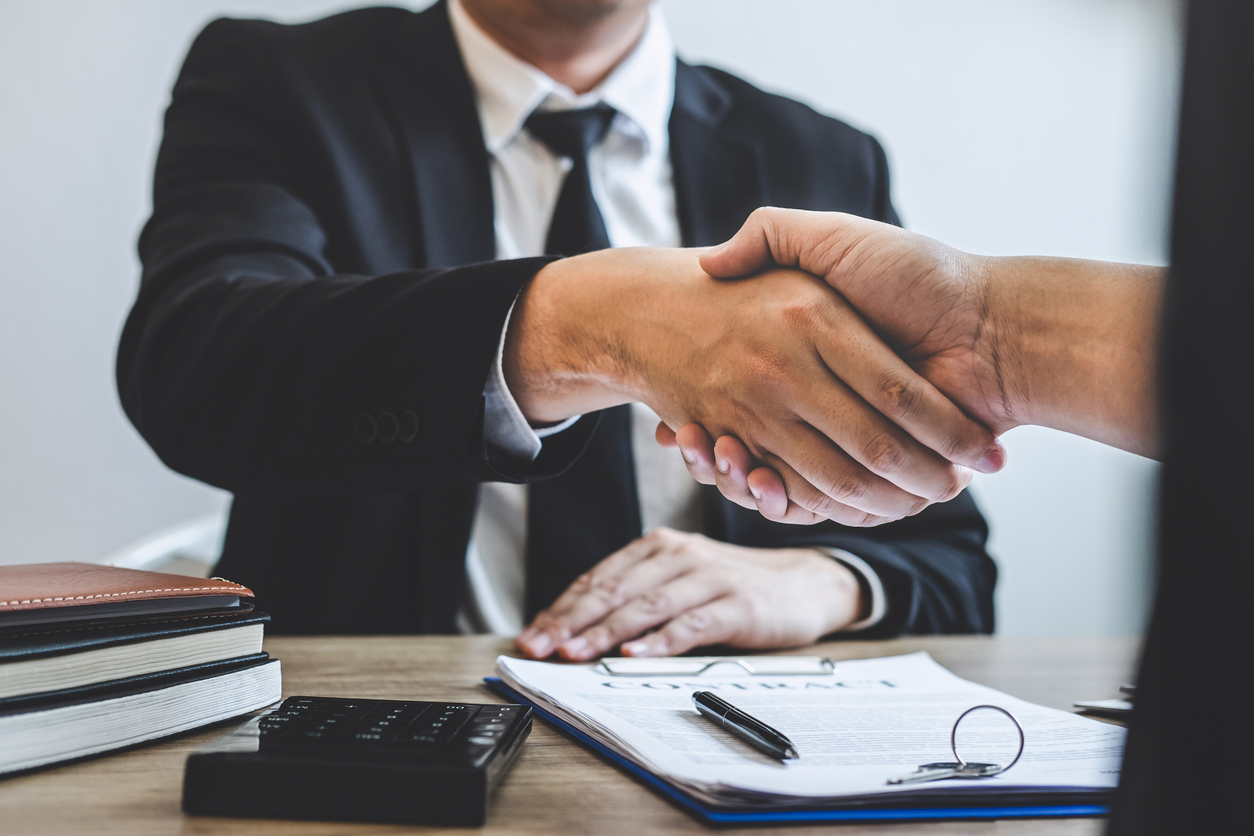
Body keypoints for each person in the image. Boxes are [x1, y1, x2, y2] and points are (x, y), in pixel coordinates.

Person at [118, 0, 999, 655]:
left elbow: (948, 550)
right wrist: (585, 322)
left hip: (719, 756)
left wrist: (823, 582)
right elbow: (197, 370)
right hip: (372, 744)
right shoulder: (279, 81)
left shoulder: (821, 156)